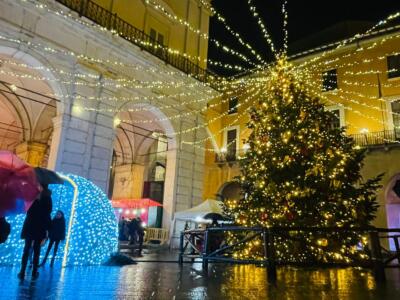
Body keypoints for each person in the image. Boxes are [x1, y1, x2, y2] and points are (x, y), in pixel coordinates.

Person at [18, 185, 52, 280]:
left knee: (33, 249)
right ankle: (26, 271)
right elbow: (27, 210)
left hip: (35, 226)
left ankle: (29, 271)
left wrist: (37, 201)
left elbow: (47, 211)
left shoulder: (44, 198)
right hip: (34, 226)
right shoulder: (37, 197)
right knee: (30, 249)